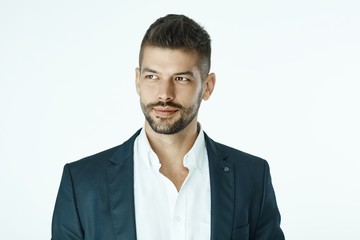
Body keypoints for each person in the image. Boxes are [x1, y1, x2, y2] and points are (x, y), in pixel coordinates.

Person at [51, 14, 285, 240]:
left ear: (208, 87)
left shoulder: (252, 177)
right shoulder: (82, 182)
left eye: (181, 79)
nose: (164, 94)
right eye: (152, 77)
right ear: (137, 81)